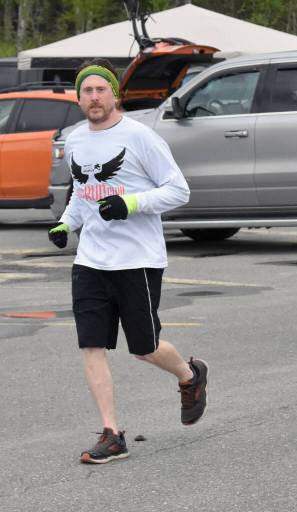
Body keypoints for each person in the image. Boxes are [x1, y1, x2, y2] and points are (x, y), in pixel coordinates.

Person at [46, 59, 207, 464]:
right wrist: (66, 225)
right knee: (91, 345)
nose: (94, 97)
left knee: (144, 348)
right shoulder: (77, 141)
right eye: (87, 91)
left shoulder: (141, 138)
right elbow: (82, 193)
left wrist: (131, 203)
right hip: (91, 262)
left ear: (115, 94)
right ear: (79, 98)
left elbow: (179, 191)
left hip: (137, 260)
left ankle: (190, 375)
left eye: (101, 89)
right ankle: (111, 433)